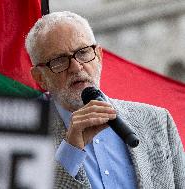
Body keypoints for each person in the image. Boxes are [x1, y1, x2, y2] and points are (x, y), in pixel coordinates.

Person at [25, 11, 185, 189]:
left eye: (84, 52)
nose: (76, 67)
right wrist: (70, 150)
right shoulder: (25, 135)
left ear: (99, 56)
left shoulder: (158, 121)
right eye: (59, 60)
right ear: (39, 77)